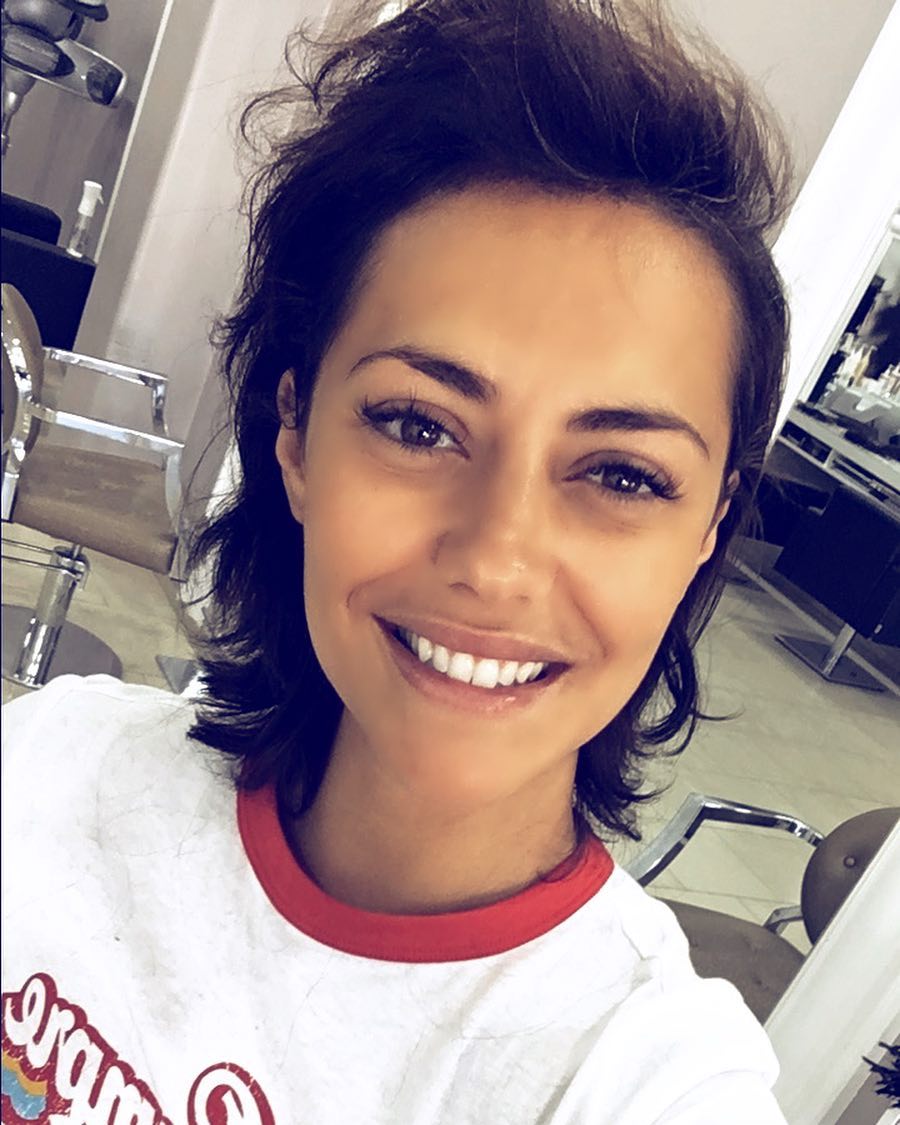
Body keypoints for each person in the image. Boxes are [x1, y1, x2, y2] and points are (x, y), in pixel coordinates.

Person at [1, 0, 794, 1121]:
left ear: (707, 528)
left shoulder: (643, 1081)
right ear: (295, 435)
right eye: (419, 425)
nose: (497, 560)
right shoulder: (52, 767)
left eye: (622, 475)